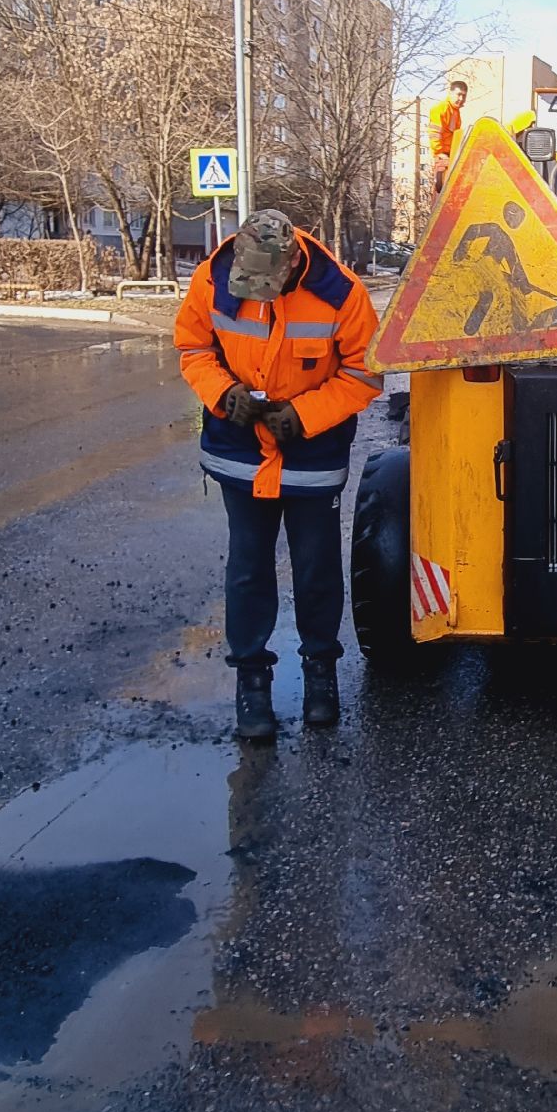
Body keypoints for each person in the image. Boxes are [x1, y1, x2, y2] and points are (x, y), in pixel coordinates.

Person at [174, 209, 382, 740]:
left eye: (270, 285)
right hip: (239, 449)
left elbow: (365, 371)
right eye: (251, 285)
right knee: (248, 566)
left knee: (315, 566)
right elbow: (194, 348)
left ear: (293, 264)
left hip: (311, 454)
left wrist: (306, 415)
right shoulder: (214, 278)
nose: (259, 294)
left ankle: (320, 675)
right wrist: (225, 394)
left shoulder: (340, 292)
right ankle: (252, 680)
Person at [428, 77, 468, 191]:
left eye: (464, 96)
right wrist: (439, 152)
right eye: (458, 94)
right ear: (450, 93)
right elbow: (434, 133)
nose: (461, 98)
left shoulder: (455, 111)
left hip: (449, 155)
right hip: (443, 156)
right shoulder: (441, 109)